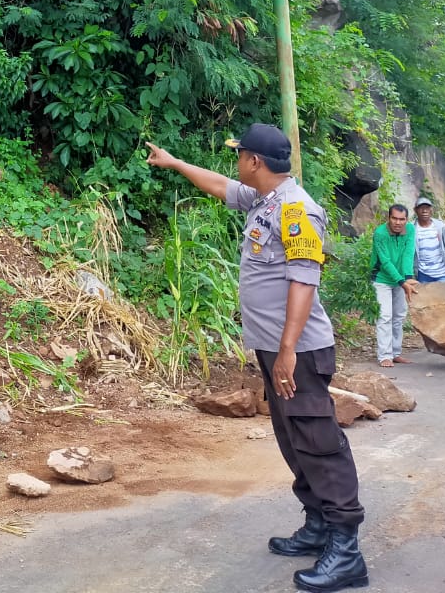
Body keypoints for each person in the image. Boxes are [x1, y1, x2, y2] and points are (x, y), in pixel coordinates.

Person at [146, 124, 368, 593]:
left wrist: (288, 349)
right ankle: (318, 525)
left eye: (240, 155)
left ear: (254, 161)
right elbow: (221, 186)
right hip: (275, 349)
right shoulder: (264, 200)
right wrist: (175, 163)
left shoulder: (296, 209)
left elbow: (304, 281)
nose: (236, 162)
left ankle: (346, 550)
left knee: (318, 441)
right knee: (293, 438)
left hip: (299, 352)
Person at [370, 204, 418, 368]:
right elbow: (385, 261)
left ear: (407, 220)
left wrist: (408, 278)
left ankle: (395, 353)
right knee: (385, 316)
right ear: (388, 218)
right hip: (382, 278)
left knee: (399, 316)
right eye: (394, 218)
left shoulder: (410, 230)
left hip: (401, 280)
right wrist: (402, 282)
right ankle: (384, 355)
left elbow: (408, 253)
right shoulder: (380, 233)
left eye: (402, 219)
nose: (398, 222)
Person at [411, 197, 445, 283]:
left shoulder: (440, 226)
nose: (424, 211)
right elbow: (407, 253)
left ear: (431, 210)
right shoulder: (411, 228)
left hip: (442, 274)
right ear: (415, 210)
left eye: (427, 208)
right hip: (423, 275)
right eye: (421, 208)